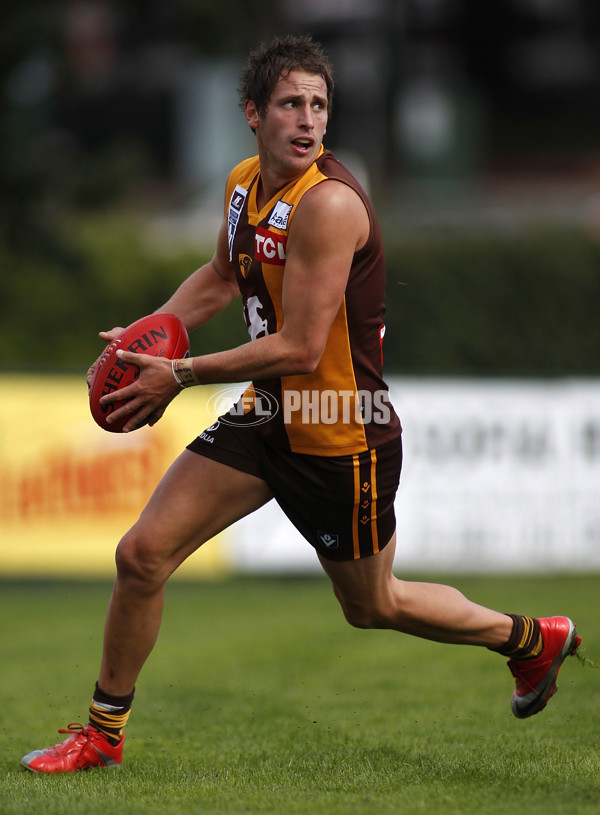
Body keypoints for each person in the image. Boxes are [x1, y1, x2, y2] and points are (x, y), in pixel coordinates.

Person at [21, 34, 580, 774]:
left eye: (319, 104)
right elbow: (222, 276)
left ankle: (531, 640)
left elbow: (301, 348)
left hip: (338, 435)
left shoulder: (330, 205)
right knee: (141, 554)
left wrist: (178, 374)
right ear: (253, 113)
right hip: (266, 416)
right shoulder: (243, 184)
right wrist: (148, 333)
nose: (308, 119)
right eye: (291, 103)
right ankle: (102, 735)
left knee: (373, 605)